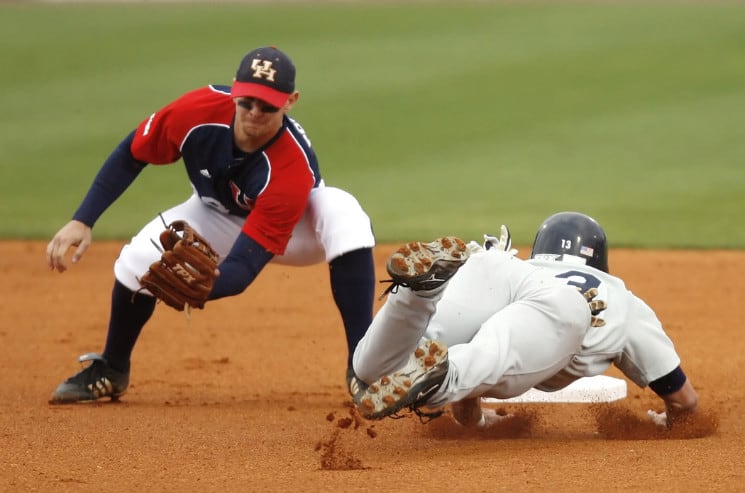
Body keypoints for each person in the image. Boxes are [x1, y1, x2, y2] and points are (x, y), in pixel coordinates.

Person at [46, 46, 376, 403]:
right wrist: (83, 219)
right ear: (234, 89)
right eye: (248, 101)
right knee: (138, 259)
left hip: (300, 229)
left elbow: (244, 266)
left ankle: (364, 368)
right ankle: (112, 368)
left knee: (344, 212)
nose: (255, 112)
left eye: (268, 106)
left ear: (291, 101)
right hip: (215, 212)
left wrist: (206, 286)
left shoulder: (289, 169)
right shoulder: (195, 111)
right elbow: (132, 152)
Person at [350, 212, 698, 429]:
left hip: (495, 266)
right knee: (492, 353)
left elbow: (469, 402)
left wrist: (476, 421)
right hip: (565, 308)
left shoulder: (528, 266)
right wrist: (670, 422)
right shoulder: (621, 299)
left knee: (372, 373)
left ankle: (418, 296)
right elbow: (683, 401)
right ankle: (441, 377)